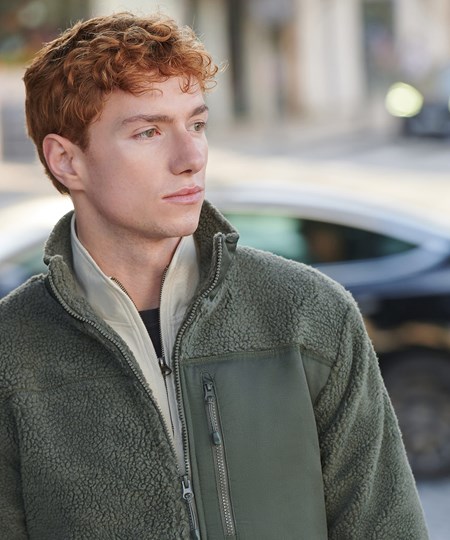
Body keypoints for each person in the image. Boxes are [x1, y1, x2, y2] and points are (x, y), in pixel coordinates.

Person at [0, 12, 428, 540]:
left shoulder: (311, 315)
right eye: (149, 131)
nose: (191, 157)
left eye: (197, 125)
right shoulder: (11, 351)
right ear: (67, 161)